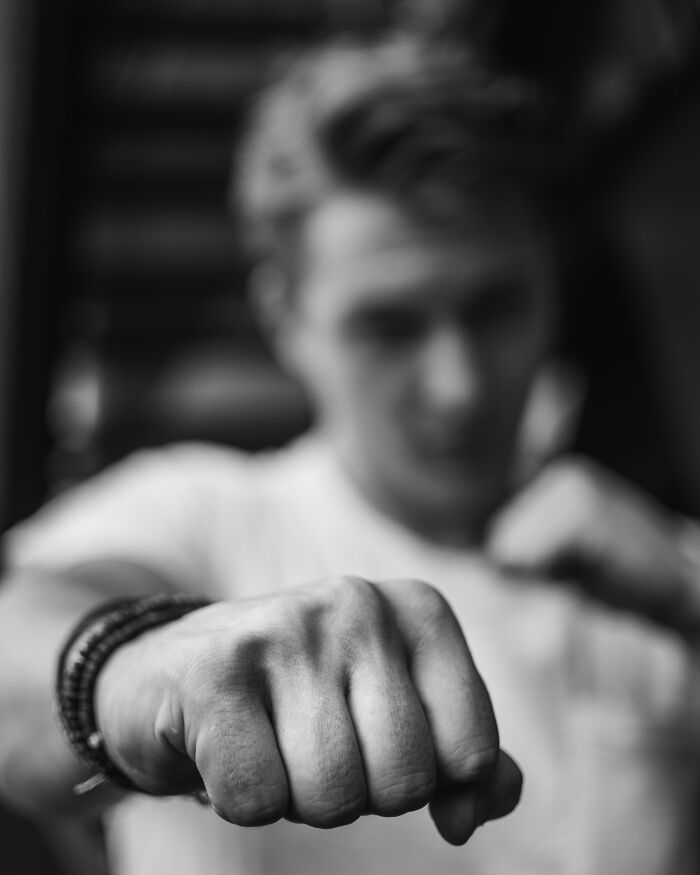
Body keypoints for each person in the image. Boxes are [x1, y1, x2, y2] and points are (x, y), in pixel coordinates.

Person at [1, 32, 700, 875]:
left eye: (496, 307)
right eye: (389, 326)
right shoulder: (199, 515)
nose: (458, 386)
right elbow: (14, 666)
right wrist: (134, 670)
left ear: (551, 284)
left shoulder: (660, 573)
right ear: (285, 318)